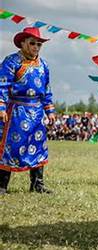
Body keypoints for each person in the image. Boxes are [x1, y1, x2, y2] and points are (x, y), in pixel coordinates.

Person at [0, 27, 56, 195]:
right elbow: (2, 85)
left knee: (38, 146)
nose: (36, 47)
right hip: (16, 111)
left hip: (37, 111)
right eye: (32, 43)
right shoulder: (11, 61)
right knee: (11, 146)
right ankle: (2, 186)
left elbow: (47, 90)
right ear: (23, 43)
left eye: (39, 44)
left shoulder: (44, 64)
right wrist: (1, 106)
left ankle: (37, 184)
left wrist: (50, 110)